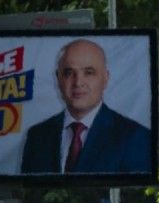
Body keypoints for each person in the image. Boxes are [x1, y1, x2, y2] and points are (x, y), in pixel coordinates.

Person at [20, 39, 151, 174]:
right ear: (58, 79)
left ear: (105, 78)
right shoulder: (37, 136)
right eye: (69, 73)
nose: (78, 82)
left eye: (89, 72)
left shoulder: (135, 137)